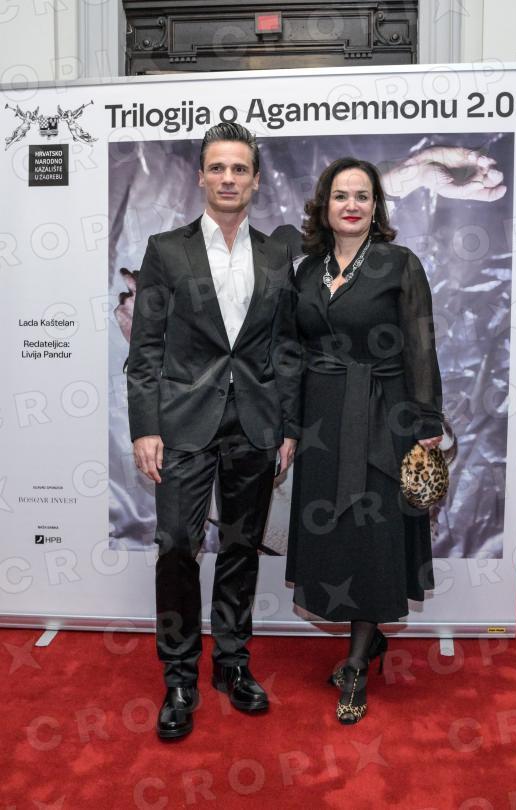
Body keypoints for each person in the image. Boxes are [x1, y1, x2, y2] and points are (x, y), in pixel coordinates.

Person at [127, 122, 300, 740]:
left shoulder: (276, 254)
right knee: (177, 546)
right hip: (182, 423)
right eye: (218, 168)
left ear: (255, 180)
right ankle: (179, 676)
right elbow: (145, 349)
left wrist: (287, 424)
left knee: (241, 546)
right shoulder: (165, 250)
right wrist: (145, 427)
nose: (229, 178)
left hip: (255, 422)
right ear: (201, 176)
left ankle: (232, 662)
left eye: (240, 169)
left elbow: (286, 347)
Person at [286, 157, 444, 724]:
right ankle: (367, 639)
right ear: (324, 206)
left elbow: (420, 344)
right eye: (340, 195)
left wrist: (427, 422)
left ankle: (355, 661)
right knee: (334, 532)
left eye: (362, 196)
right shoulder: (305, 271)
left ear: (376, 207)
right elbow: (292, 351)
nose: (351, 204)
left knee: (373, 535)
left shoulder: (400, 264)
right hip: (322, 420)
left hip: (385, 416)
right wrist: (289, 425)